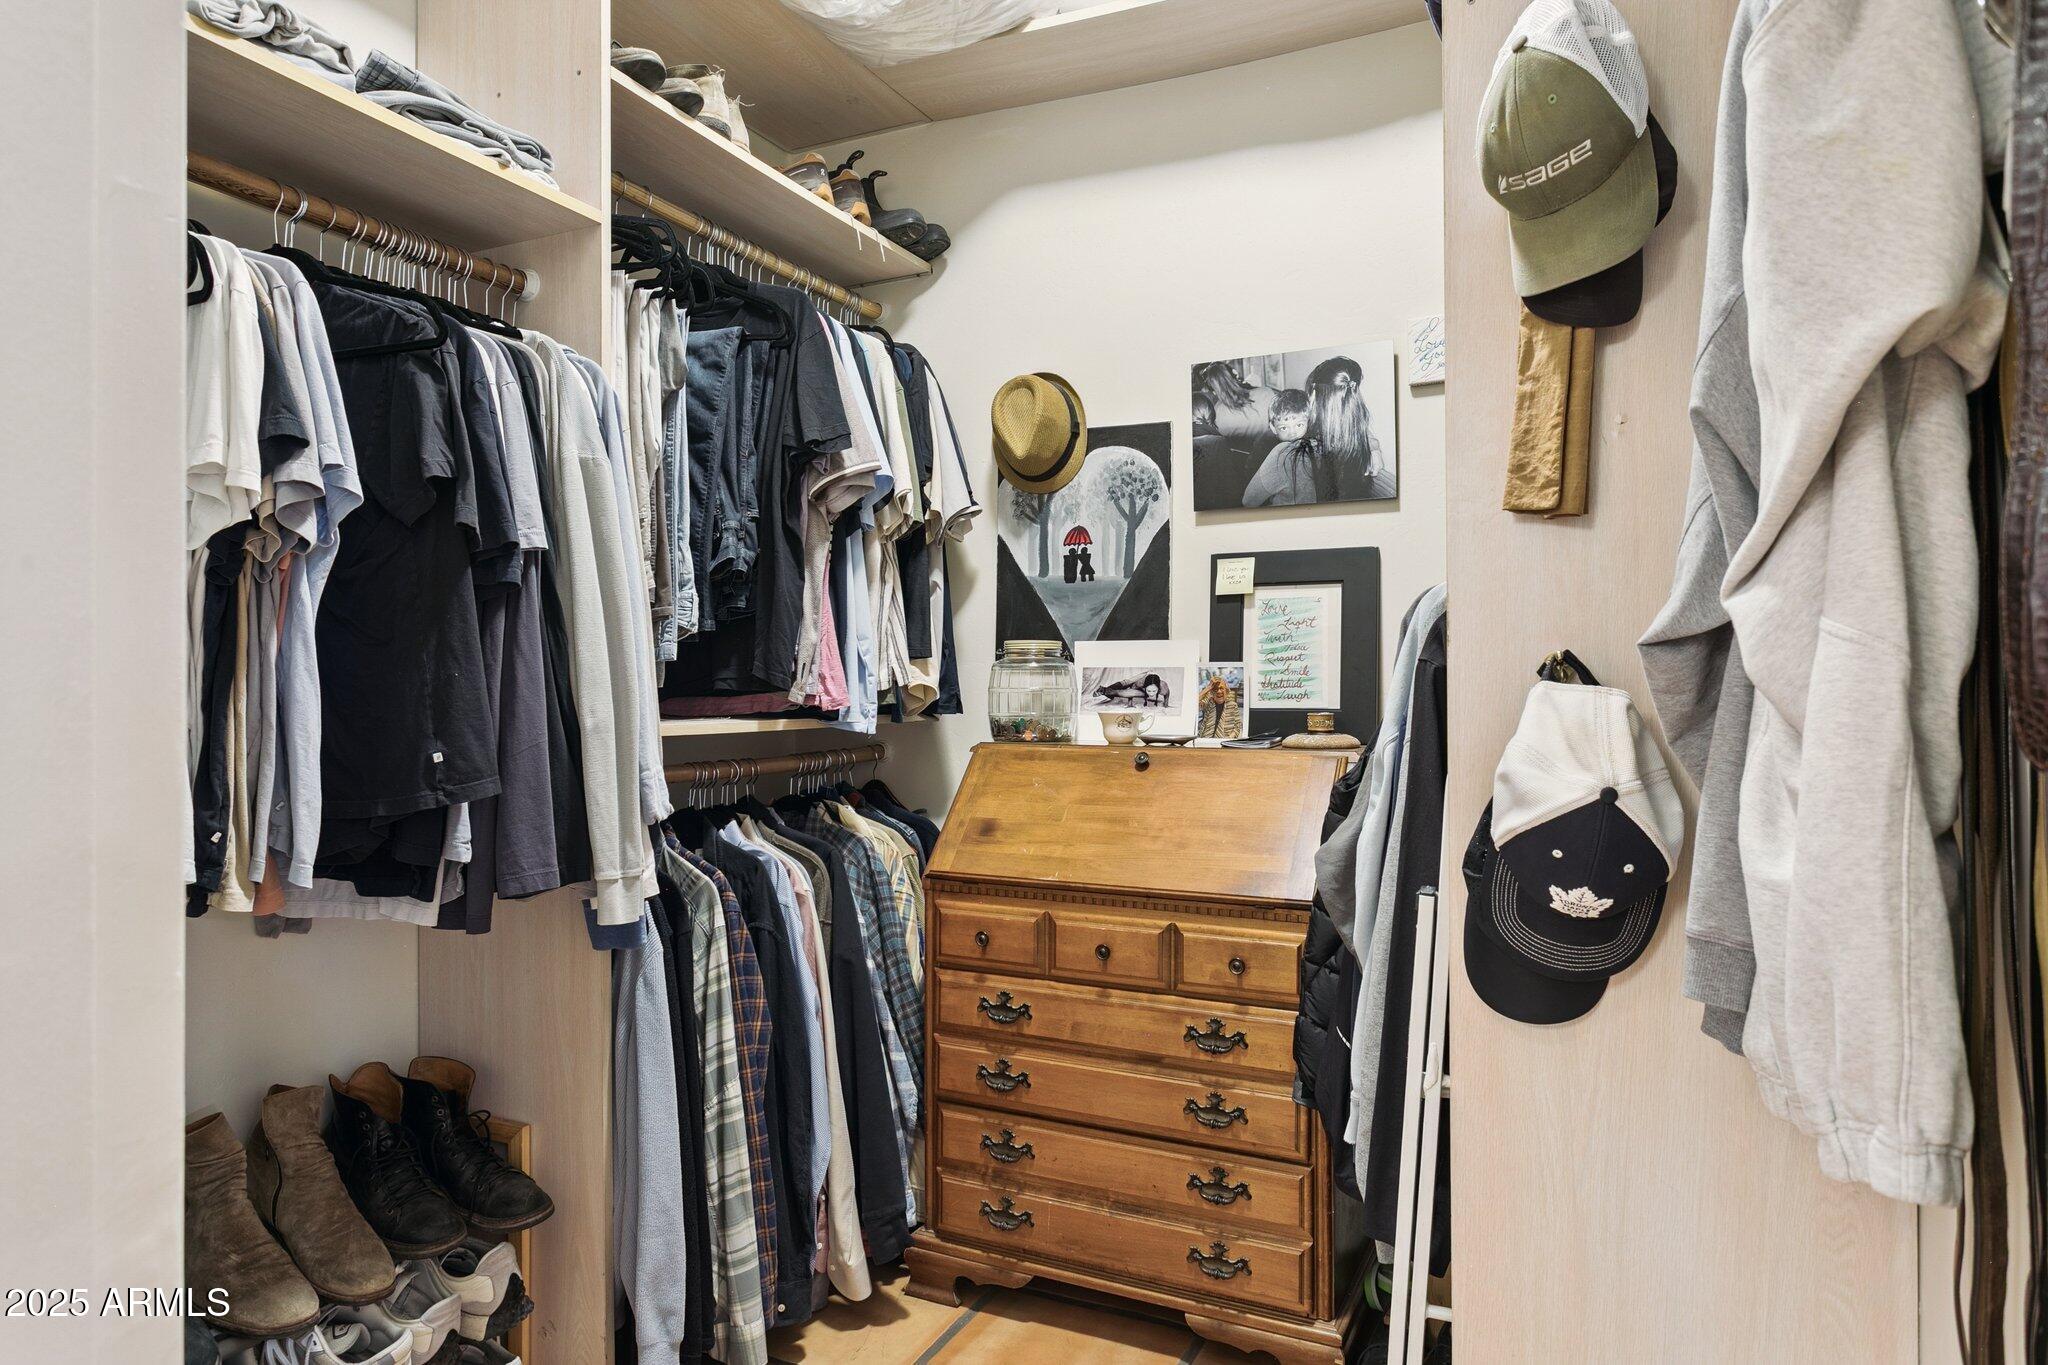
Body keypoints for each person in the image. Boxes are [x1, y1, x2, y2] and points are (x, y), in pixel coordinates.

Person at [1307, 355, 1394, 501]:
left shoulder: (1306, 443)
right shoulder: (1354, 429)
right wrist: (1374, 448)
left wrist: (1374, 448)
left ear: (1314, 395)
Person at [1193, 361, 1278, 506]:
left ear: (1211, 390)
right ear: (1235, 376)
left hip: (1243, 475)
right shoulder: (1267, 393)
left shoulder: (1217, 414)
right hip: (1274, 462)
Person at [1241, 389, 1328, 507]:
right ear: (1272, 427)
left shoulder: (1280, 453)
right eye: (1284, 428)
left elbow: (1248, 501)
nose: (1292, 433)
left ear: (1309, 421)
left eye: (1299, 425)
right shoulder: (1321, 446)